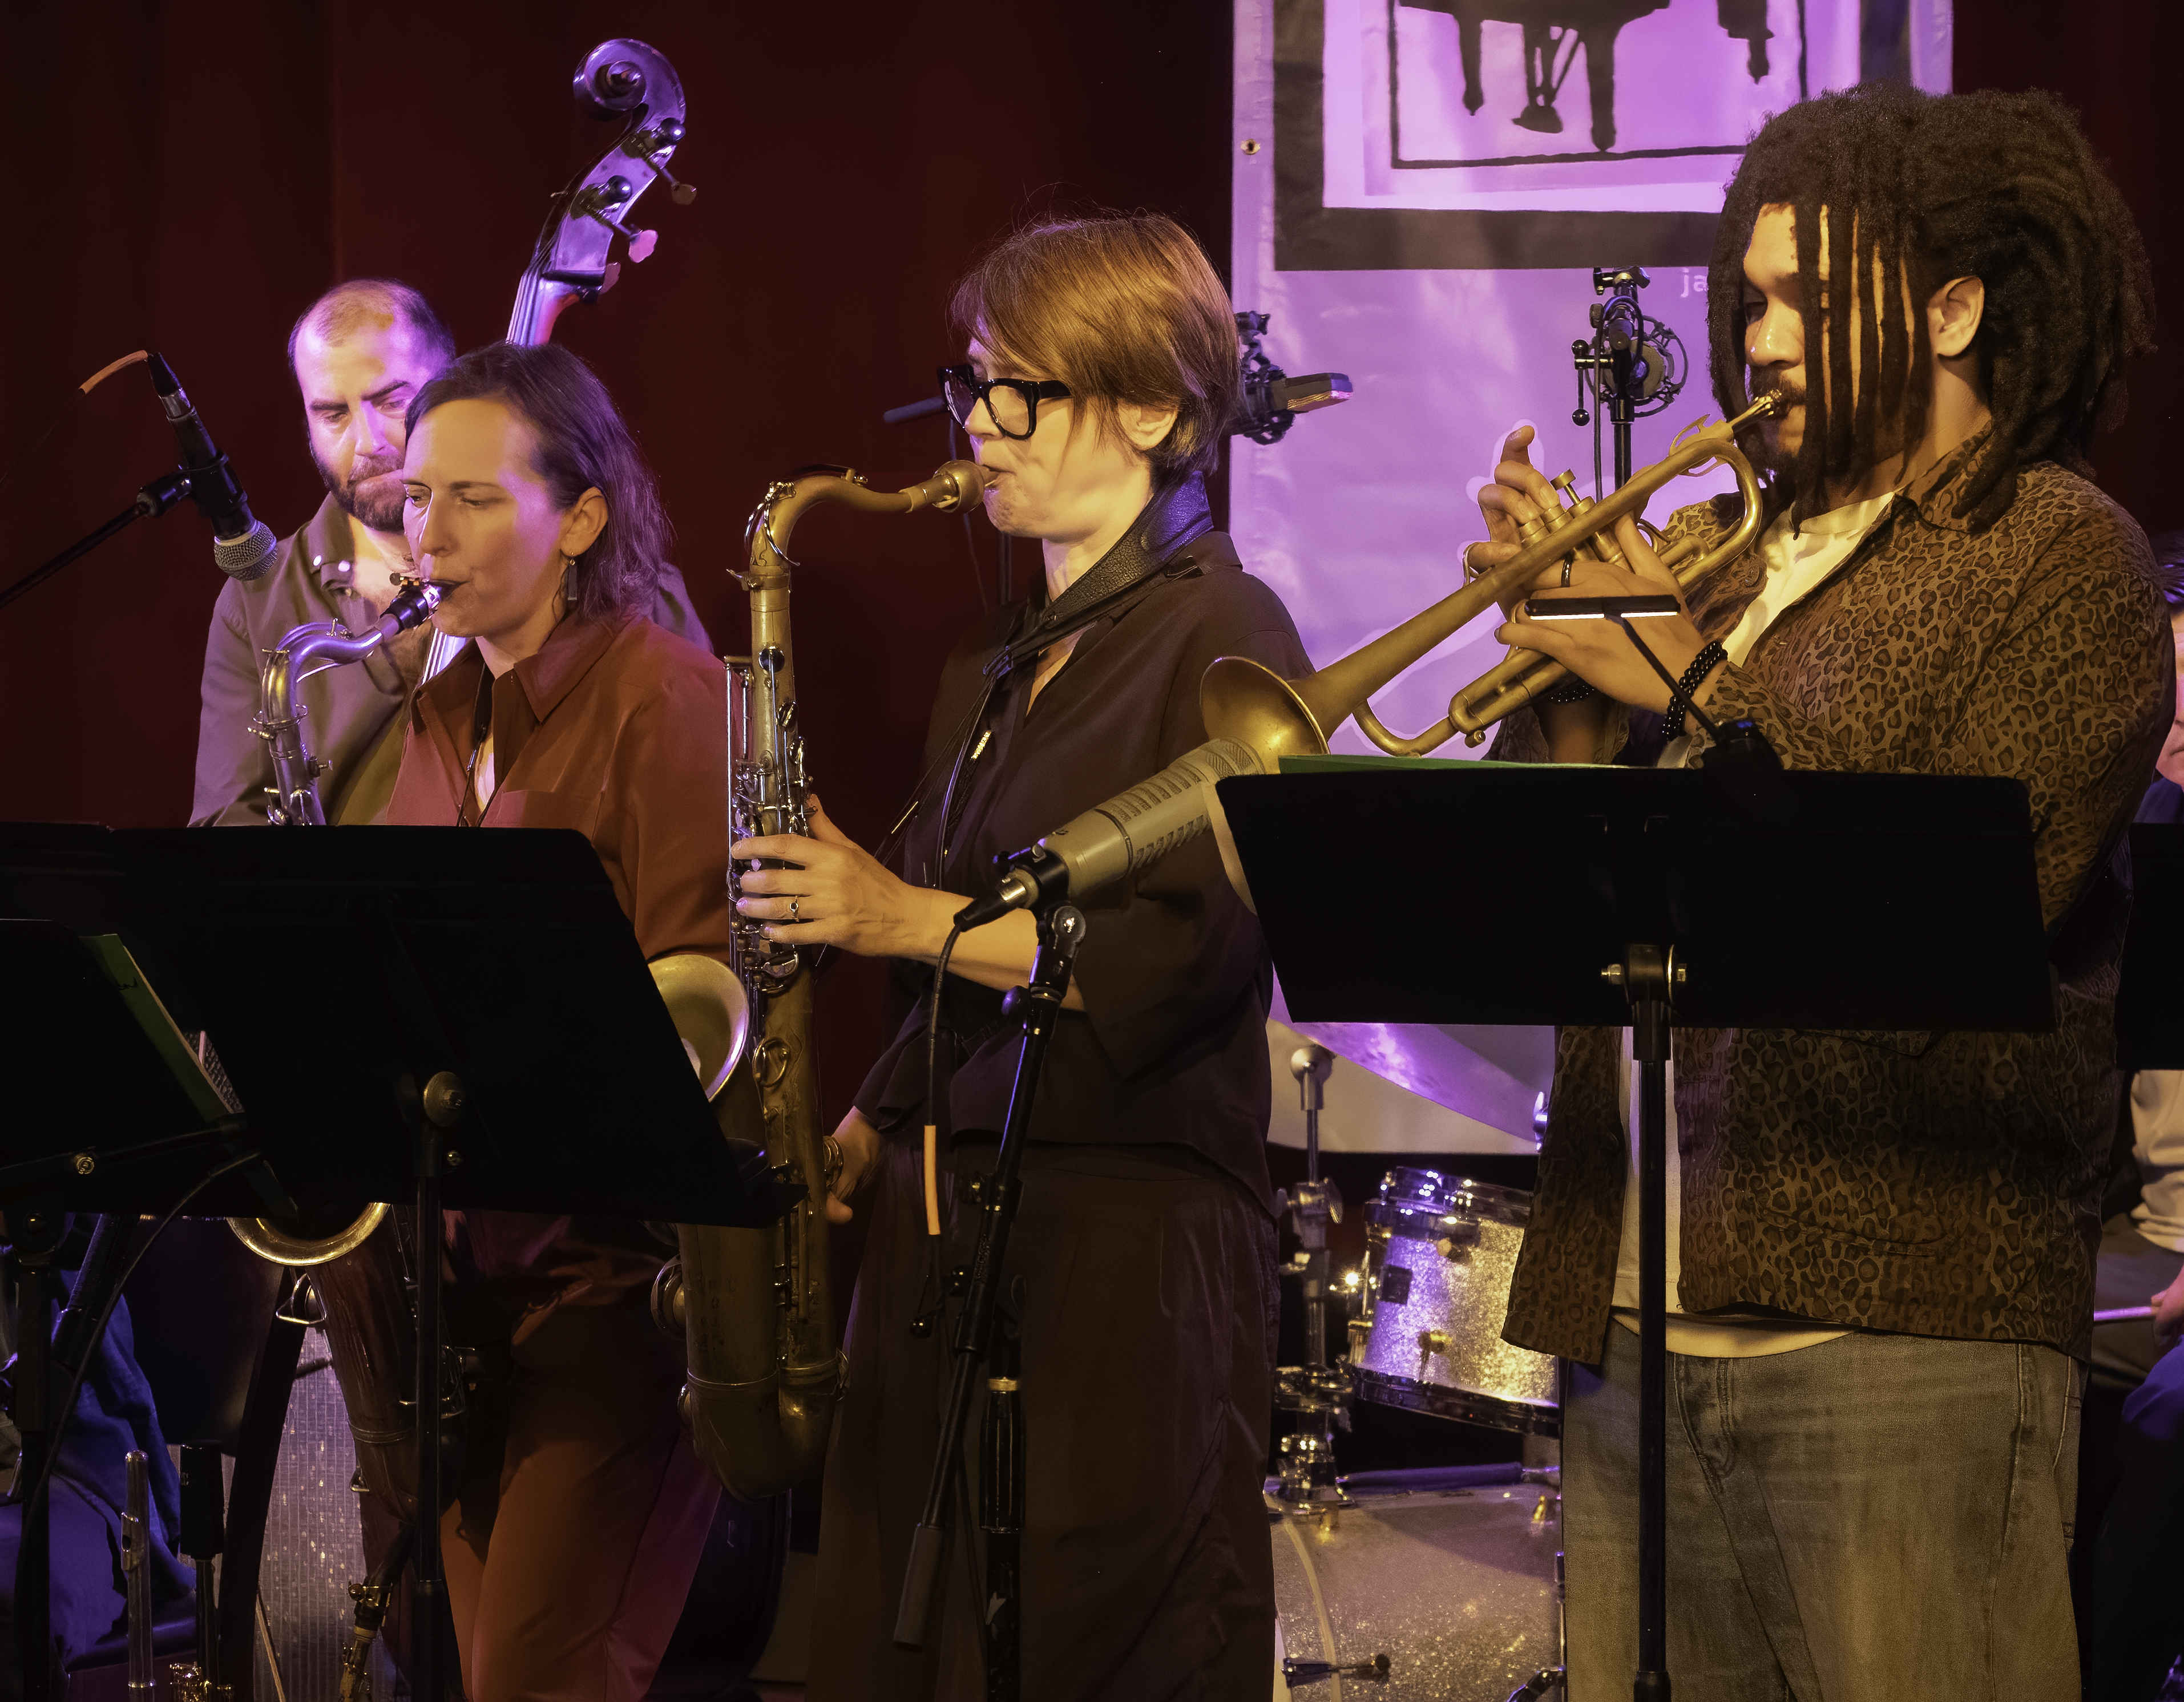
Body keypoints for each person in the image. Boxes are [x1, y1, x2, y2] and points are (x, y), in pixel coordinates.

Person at [1471, 84, 2168, 1698]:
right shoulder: (1720, 547)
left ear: (1949, 307)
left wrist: (1674, 670)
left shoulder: (2061, 559)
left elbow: (1945, 893)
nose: (1762, 339)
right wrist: (1557, 684)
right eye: (1752, 296)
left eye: (1810, 299)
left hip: (1900, 1330)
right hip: (1635, 1324)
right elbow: (1577, 903)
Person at [728, 213, 1308, 1700]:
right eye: (971, 382)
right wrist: (874, 1106)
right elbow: (963, 950)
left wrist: (894, 916)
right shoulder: (992, 661)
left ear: (1157, 410)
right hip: (957, 1239)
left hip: (1125, 1253)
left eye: (1019, 391)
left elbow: (1176, 951)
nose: (976, 427)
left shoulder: (1227, 632)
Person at [383, 339, 729, 1701]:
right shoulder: (431, 710)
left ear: (579, 518)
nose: (428, 533)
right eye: (415, 498)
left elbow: (701, 1020)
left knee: (541, 1677)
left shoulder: (668, 699)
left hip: (611, 1295)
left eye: (472, 498)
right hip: (459, 1291)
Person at [188, 278, 705, 827]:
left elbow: (693, 791)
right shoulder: (258, 602)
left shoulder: (619, 575)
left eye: (392, 399)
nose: (368, 443)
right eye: (333, 414)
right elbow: (228, 828)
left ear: (446, 387)